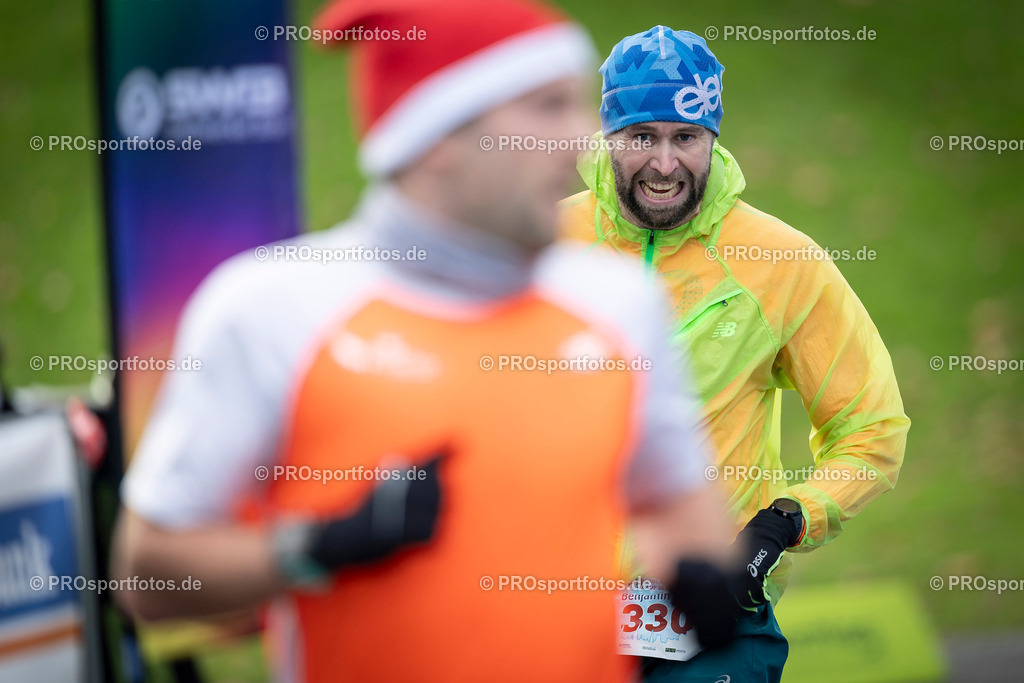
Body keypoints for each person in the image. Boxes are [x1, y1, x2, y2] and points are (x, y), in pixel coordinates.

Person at [111, 5, 741, 682]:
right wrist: (318, 547)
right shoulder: (271, 307)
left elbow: (678, 504)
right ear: (437, 136)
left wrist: (706, 577)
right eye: (548, 107)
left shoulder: (619, 300)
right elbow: (146, 577)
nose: (585, 138)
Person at [559, 25, 911, 683]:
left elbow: (872, 429)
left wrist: (782, 523)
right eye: (642, 137)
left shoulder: (782, 260)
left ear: (714, 137)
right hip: (558, 610)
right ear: (607, 135)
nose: (665, 165)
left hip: (714, 611)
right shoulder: (542, 242)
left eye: (686, 138)